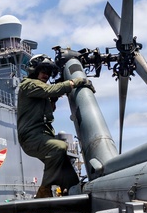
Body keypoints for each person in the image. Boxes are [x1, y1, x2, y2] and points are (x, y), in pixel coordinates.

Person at [17, 54, 93, 198]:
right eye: (43, 71)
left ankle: (73, 201)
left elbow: (48, 108)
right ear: (34, 70)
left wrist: (54, 99)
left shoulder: (39, 92)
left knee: (70, 177)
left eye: (49, 72)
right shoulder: (28, 85)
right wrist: (76, 82)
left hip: (43, 136)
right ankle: (44, 190)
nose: (46, 75)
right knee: (59, 147)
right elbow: (50, 90)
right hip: (31, 138)